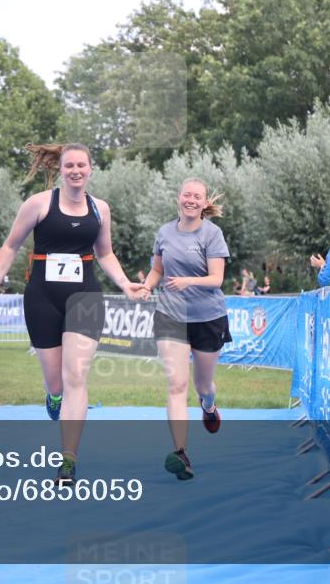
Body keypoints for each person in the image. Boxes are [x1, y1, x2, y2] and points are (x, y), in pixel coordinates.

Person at [0, 143, 143, 484]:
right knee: (57, 381)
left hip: (85, 297)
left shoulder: (100, 209)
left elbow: (105, 253)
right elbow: (10, 245)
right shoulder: (39, 203)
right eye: (69, 166)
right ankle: (53, 395)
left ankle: (68, 459)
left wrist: (126, 284)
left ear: (91, 169)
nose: (76, 170)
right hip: (42, 297)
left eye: (82, 165)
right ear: (61, 170)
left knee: (76, 375)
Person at [137, 178, 230, 481]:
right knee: (176, 384)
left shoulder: (212, 234)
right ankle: (181, 453)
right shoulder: (164, 232)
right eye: (186, 194)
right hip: (171, 314)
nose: (191, 200)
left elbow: (217, 279)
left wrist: (188, 281)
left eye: (197, 196)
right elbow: (157, 269)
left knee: (203, 385)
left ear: (204, 204)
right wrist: (147, 286)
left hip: (207, 316)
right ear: (178, 198)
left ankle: (209, 405)